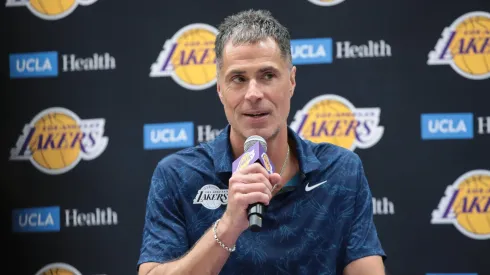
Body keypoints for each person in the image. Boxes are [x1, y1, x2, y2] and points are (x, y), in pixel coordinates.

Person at [137, 9, 387, 275]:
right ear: (220, 90)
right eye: (239, 79)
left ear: (291, 81)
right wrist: (228, 225)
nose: (253, 94)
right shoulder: (177, 175)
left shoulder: (341, 170)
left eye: (267, 75)